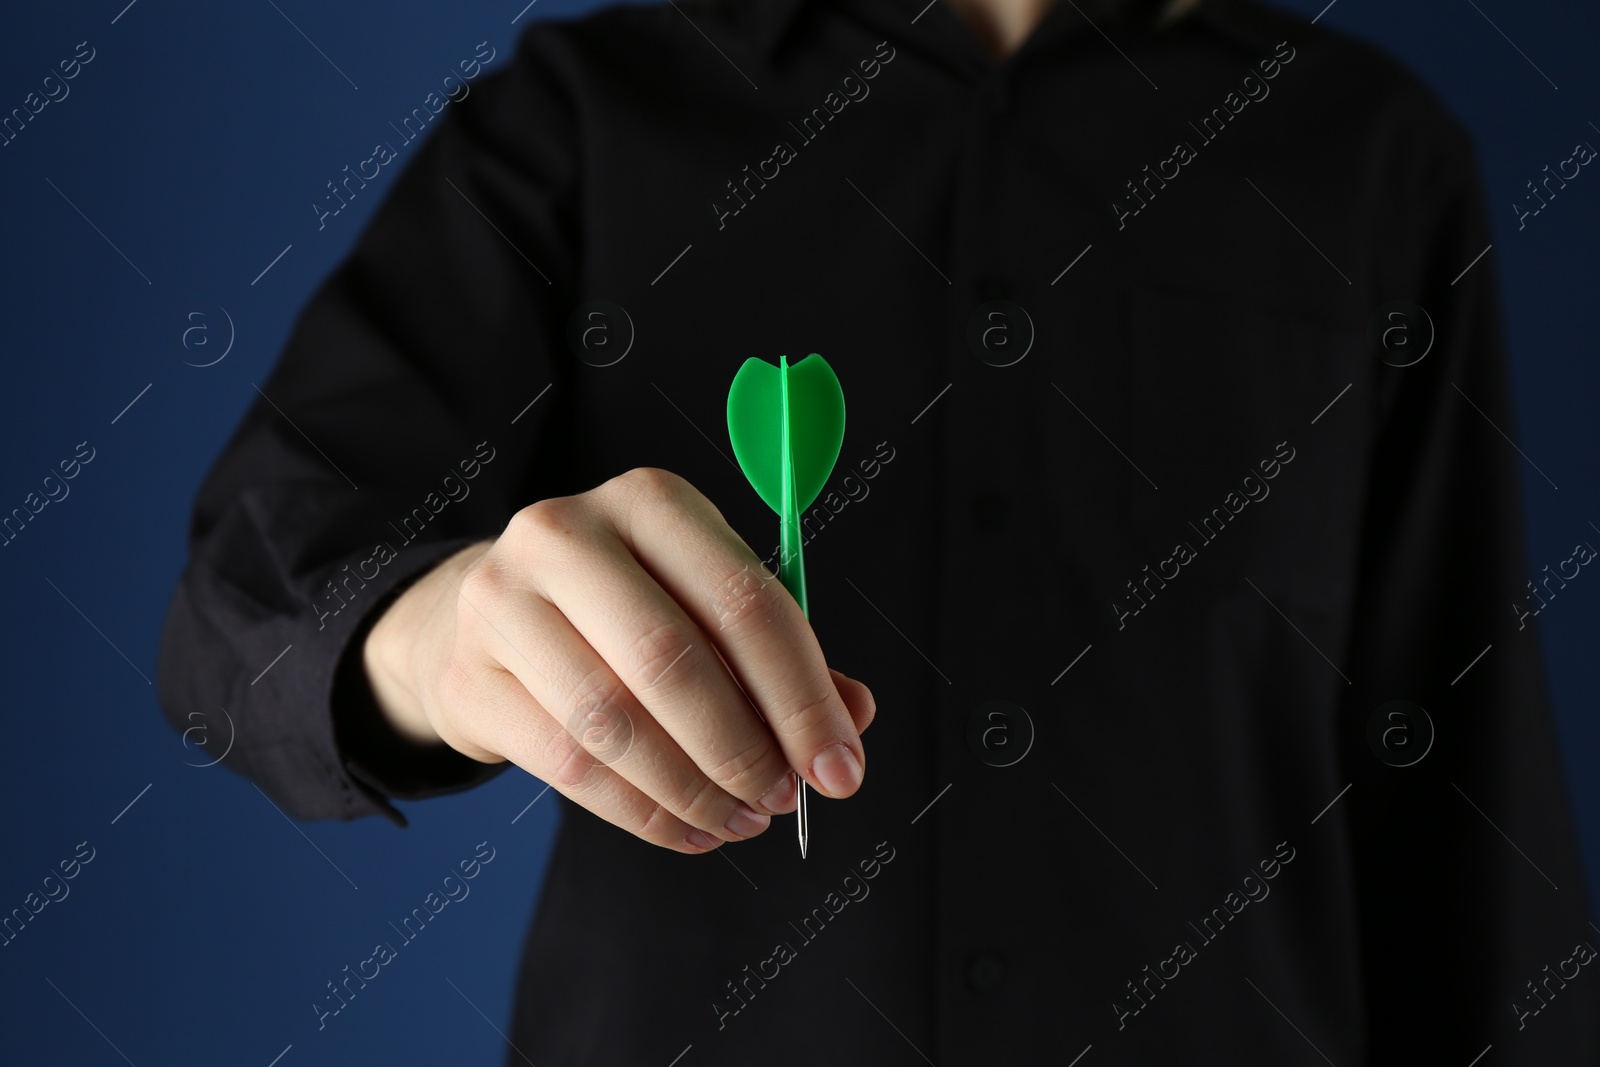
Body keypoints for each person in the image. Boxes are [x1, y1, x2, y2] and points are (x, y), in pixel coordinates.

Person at [156, 0, 1600, 1061]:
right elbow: (242, 599)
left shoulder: (1366, 155)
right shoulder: (588, 118)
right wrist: (437, 636)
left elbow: (1464, 775)